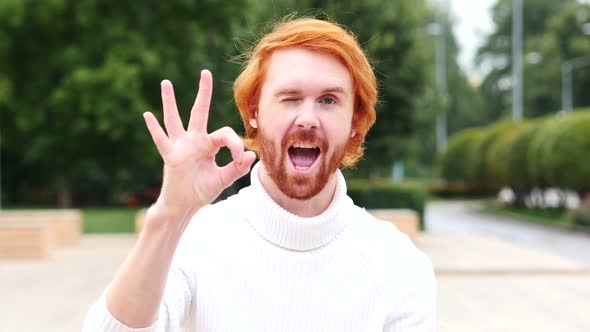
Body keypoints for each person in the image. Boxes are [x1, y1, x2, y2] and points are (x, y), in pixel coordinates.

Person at [83, 17, 436, 332]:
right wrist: (170, 216)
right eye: (290, 98)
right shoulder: (195, 240)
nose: (308, 118)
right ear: (254, 111)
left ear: (355, 119)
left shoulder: (399, 264)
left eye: (329, 100)